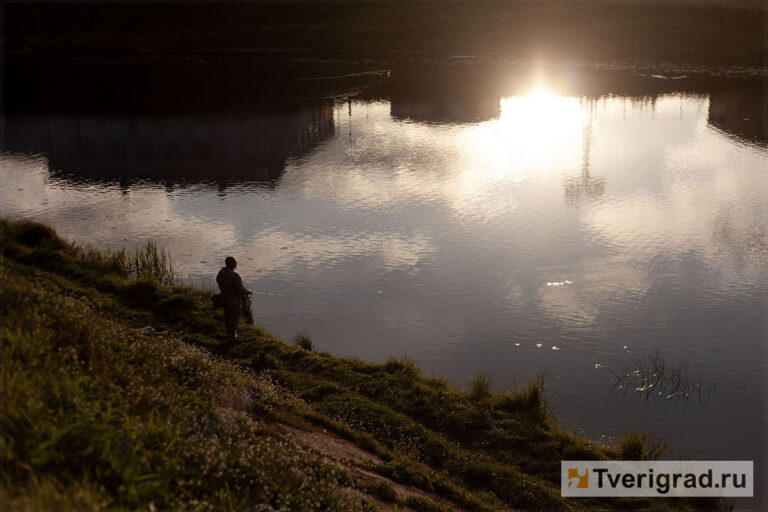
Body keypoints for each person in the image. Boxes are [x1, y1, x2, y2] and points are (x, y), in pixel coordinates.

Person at [216, 256, 252, 343]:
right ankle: (232, 340)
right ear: (231, 264)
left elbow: (218, 281)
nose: (236, 263)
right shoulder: (235, 276)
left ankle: (229, 337)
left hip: (224, 299)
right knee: (233, 320)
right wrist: (248, 292)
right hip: (233, 302)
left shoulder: (221, 273)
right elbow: (240, 290)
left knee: (227, 318)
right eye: (235, 262)